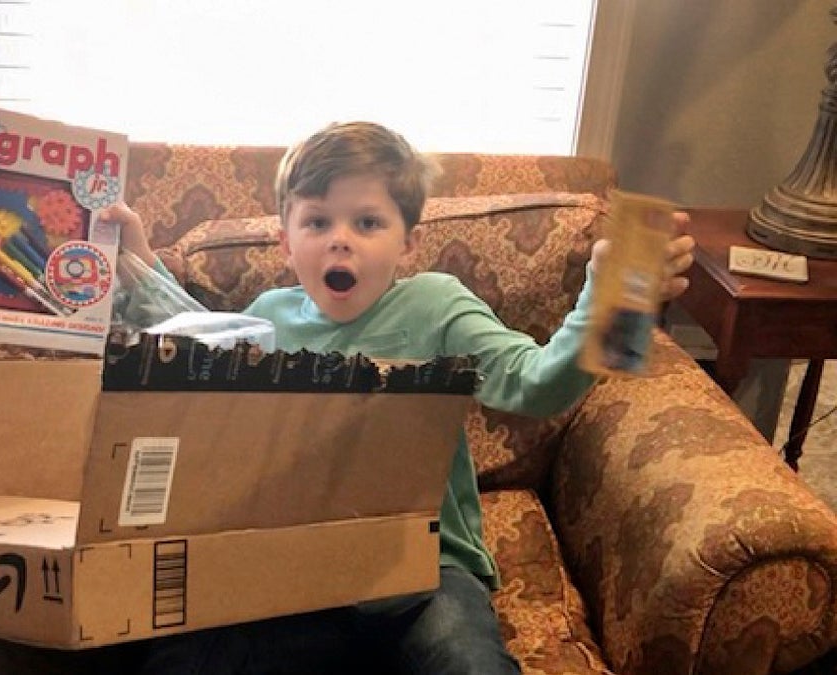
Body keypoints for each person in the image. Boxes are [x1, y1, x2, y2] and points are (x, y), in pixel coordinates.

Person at [103, 121, 695, 674]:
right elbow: (197, 342)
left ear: (408, 242)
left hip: (427, 568)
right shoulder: (270, 317)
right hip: (298, 569)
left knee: (464, 657)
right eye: (317, 223)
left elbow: (534, 385)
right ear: (285, 242)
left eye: (366, 223)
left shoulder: (436, 305)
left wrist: (612, 304)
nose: (340, 241)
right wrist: (135, 256)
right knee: (184, 653)